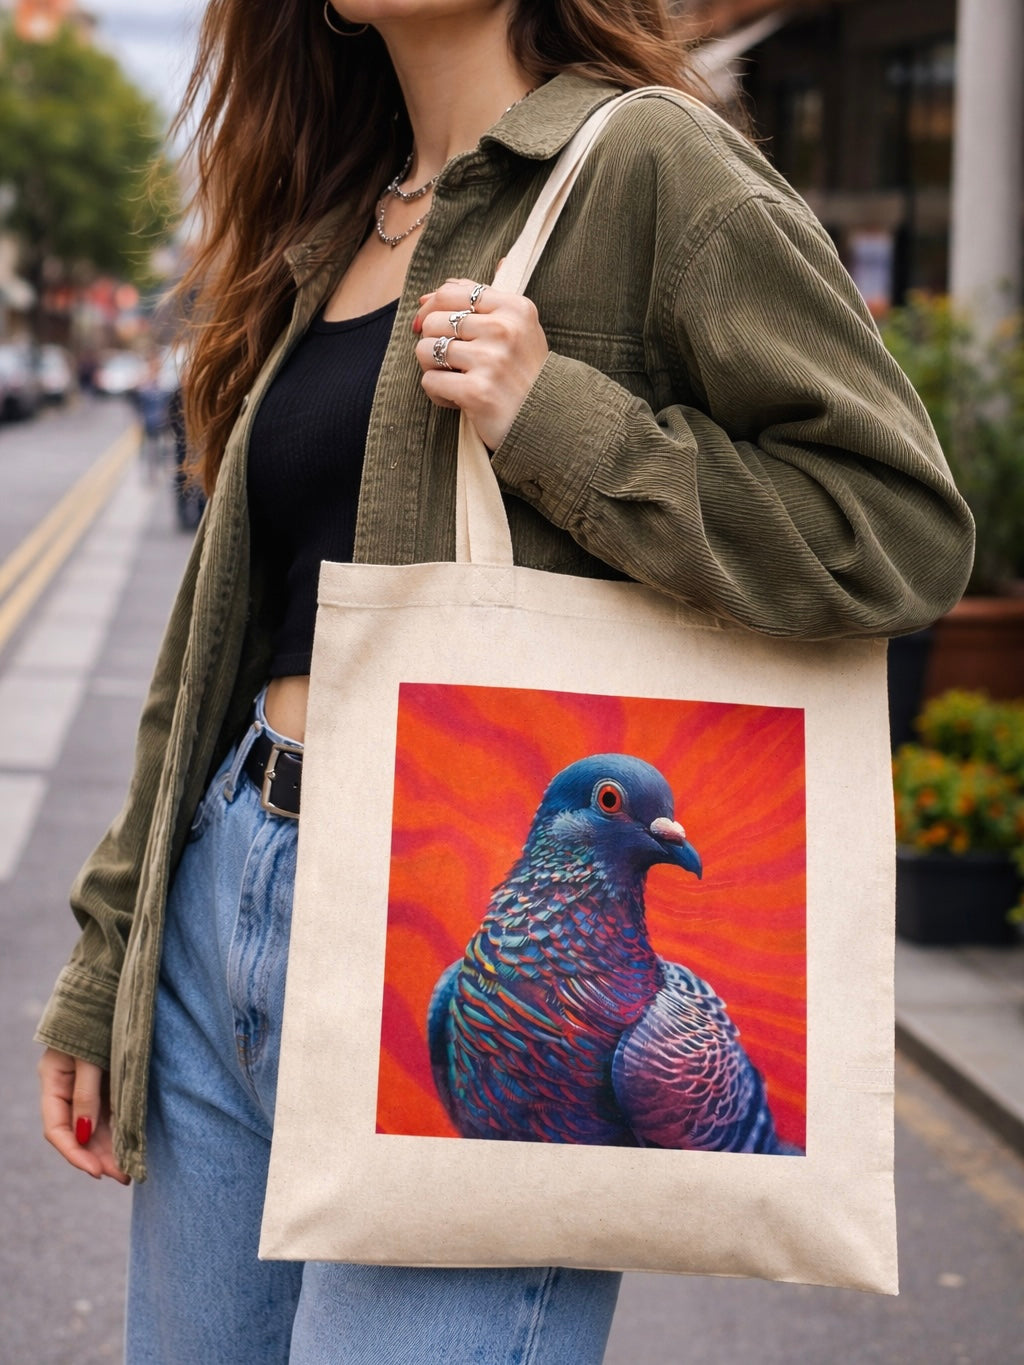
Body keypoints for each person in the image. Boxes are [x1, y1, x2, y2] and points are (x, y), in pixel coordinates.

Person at [37, 0, 974, 1360]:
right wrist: (111, 950)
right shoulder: (341, 214)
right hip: (224, 903)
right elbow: (219, 636)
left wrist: (564, 423)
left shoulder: (651, 165)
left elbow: (900, 530)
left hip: (465, 954)